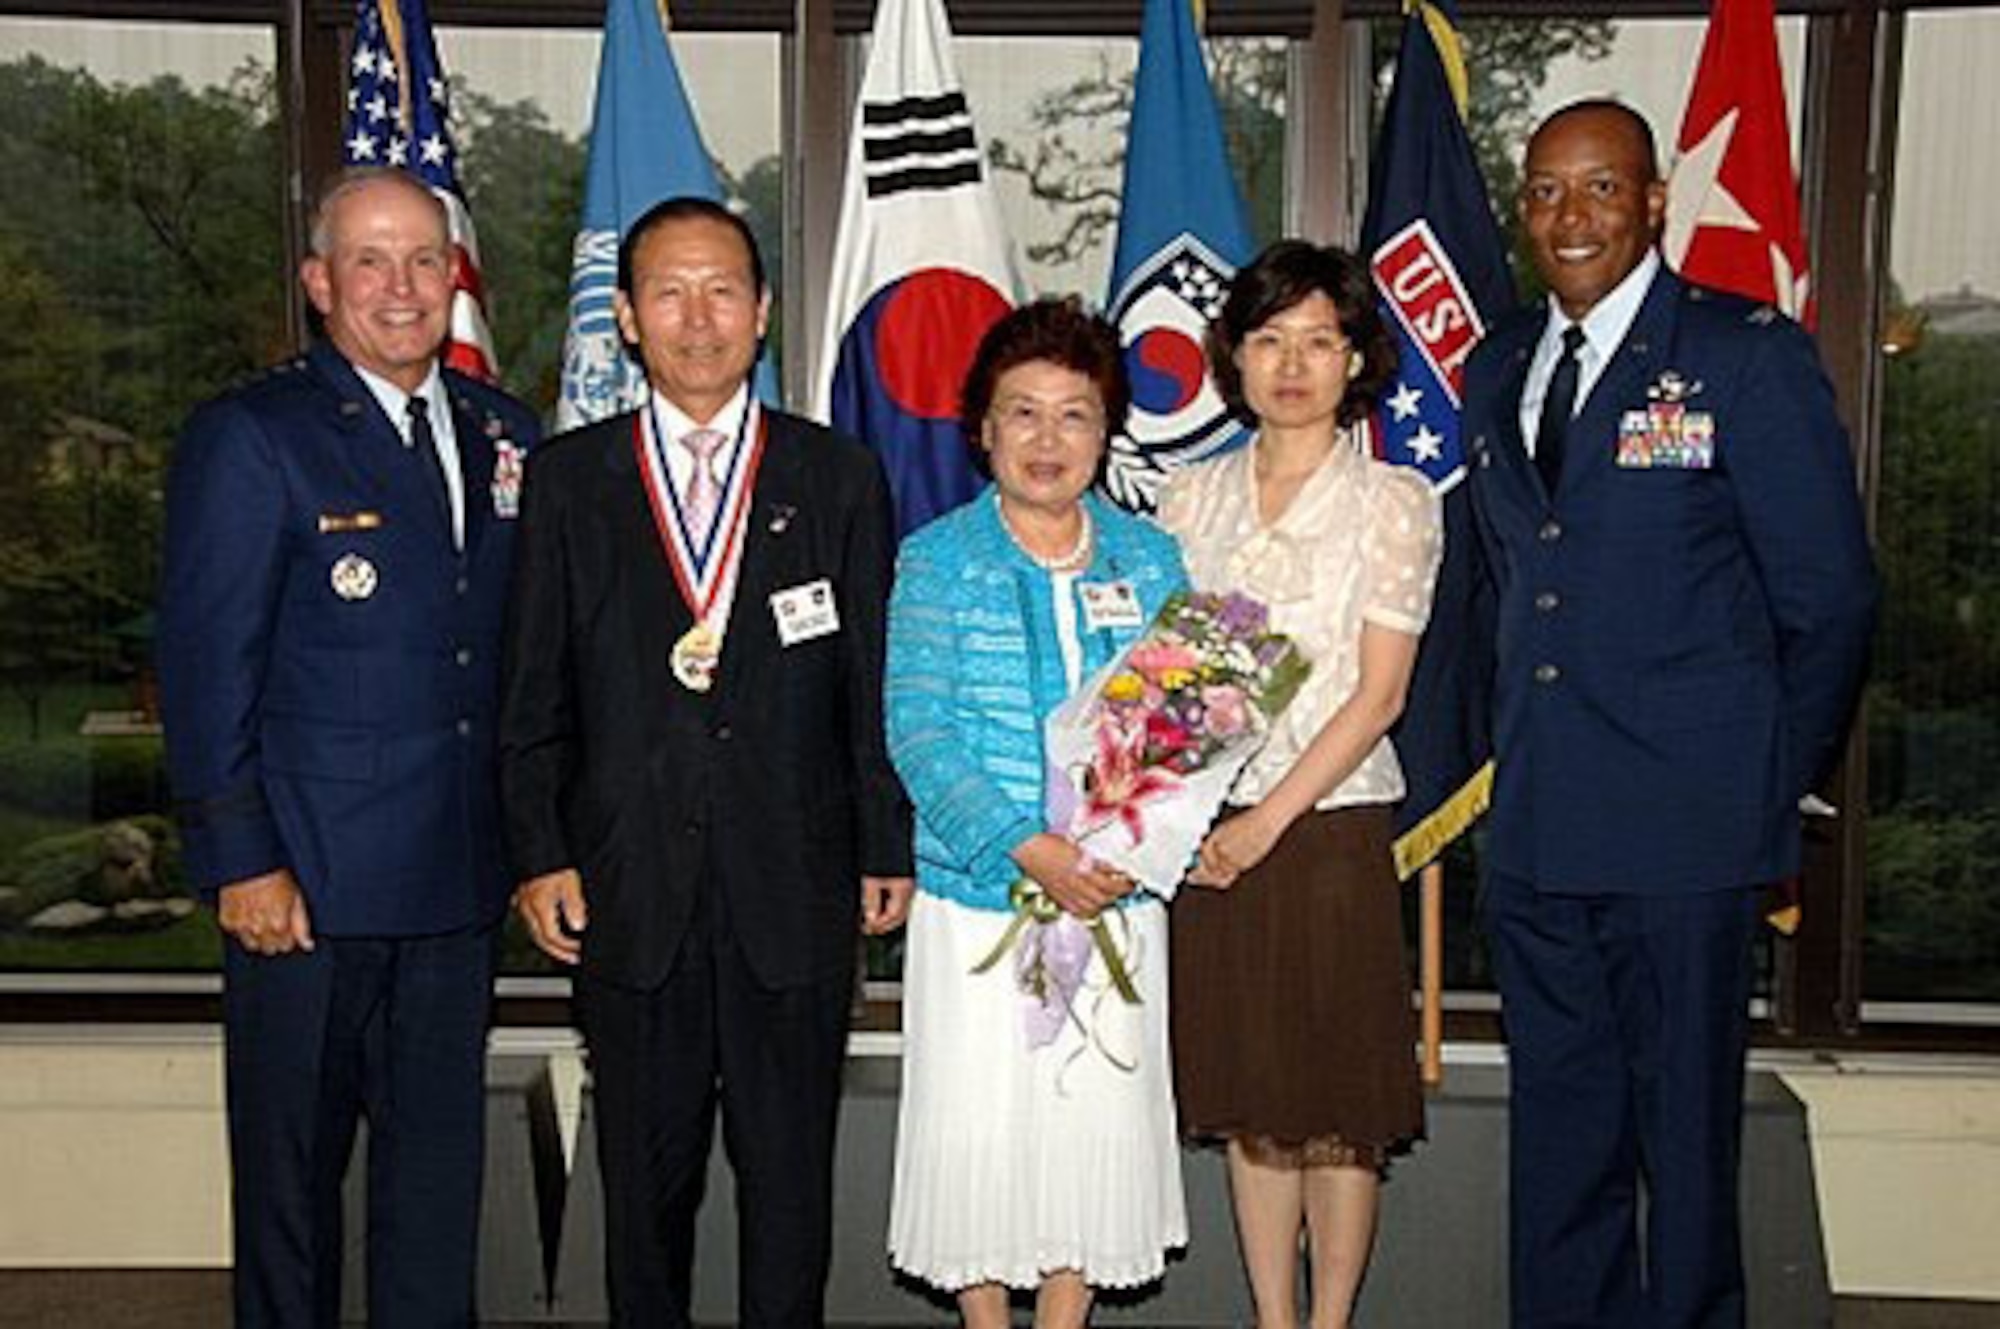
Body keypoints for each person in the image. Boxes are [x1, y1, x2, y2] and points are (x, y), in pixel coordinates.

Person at [1460, 100, 1878, 1328]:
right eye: (1542, 191)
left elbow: (1830, 597)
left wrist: (1762, 784)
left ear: (1651, 203)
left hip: (1685, 833)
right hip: (1536, 825)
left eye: (1598, 188)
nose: (1568, 215)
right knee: (1559, 1140)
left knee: (1684, 1146)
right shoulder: (1498, 361)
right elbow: (1500, 581)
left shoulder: (1740, 353)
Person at [497, 196, 914, 1328]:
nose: (697, 317)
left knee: (789, 1193)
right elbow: (531, 688)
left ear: (763, 309)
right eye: (668, 293)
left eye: (722, 289)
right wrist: (538, 851)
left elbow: (868, 681)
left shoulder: (836, 476)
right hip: (627, 895)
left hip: (796, 887)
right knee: (643, 1193)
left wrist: (886, 841)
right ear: (626, 317)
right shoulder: (568, 479)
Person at [157, 166, 541, 1327]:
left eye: (425, 259)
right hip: (305, 891)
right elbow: (205, 661)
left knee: (434, 1192)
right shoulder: (251, 436)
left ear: (454, 280)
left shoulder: (502, 432)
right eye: (370, 260)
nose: (402, 286)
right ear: (320, 282)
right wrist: (240, 859)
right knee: (292, 1195)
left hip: (454, 881)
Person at [884, 298, 1189, 1328]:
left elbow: (1177, 739)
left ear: (1106, 432)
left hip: (1111, 903)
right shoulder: (933, 558)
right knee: (977, 1139)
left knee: (1085, 1138)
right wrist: (1031, 847)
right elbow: (919, 732)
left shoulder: (1152, 563)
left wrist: (1114, 857)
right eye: (1022, 413)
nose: (1047, 440)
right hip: (980, 903)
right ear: (981, 427)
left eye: (1074, 415)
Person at [1158, 241, 1439, 1329]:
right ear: (1232, 356)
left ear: (1355, 358)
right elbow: (1167, 690)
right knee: (1253, 1100)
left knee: (1334, 1106)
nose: (1290, 365)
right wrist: (1179, 819)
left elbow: (1378, 695)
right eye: (1268, 339)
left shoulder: (1391, 500)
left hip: (1324, 828)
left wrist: (1266, 823)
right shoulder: (1188, 500)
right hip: (1206, 832)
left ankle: (1328, 1324)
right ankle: (1270, 1319)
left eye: (1318, 341)